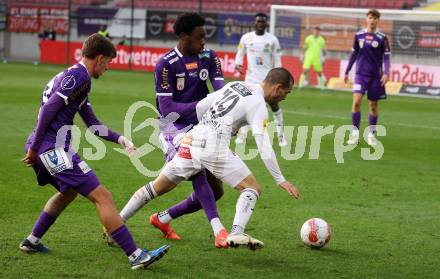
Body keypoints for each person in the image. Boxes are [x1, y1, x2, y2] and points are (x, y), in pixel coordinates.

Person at [19, 34, 169, 270]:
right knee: (103, 197)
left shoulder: (77, 79)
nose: (108, 67)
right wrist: (36, 148)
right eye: (108, 62)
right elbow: (49, 109)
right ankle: (136, 255)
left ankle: (32, 240)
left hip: (46, 147)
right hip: (51, 147)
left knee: (68, 192)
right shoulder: (79, 76)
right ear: (99, 58)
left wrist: (121, 139)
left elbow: (92, 124)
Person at [118, 68, 300, 250]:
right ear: (277, 88)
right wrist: (280, 179)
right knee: (252, 188)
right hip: (213, 146)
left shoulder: (236, 84)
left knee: (155, 188)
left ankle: (115, 225)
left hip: (191, 138)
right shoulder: (258, 104)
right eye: (286, 92)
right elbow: (264, 145)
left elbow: (202, 106)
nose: (285, 97)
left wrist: (204, 128)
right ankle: (236, 232)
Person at [114, 13, 229, 248]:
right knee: (195, 166)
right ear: (185, 36)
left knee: (216, 191)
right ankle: (219, 231)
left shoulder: (209, 57)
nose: (204, 42)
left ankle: (162, 218)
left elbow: (221, 92)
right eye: (200, 37)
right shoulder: (166, 64)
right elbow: (167, 109)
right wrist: (203, 107)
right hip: (173, 126)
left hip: (201, 125)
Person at [234, 13, 287, 147]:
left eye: (263, 22)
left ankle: (281, 137)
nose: (260, 24)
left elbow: (277, 58)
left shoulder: (272, 40)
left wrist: (279, 75)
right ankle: (242, 135)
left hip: (267, 81)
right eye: (258, 21)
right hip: (250, 79)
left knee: (274, 105)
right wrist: (238, 63)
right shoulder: (246, 38)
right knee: (245, 106)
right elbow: (240, 53)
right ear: (254, 23)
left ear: (266, 24)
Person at [344, 9, 390, 146]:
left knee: (373, 105)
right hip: (360, 75)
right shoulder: (358, 35)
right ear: (366, 19)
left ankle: (371, 135)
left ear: (378, 21)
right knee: (356, 101)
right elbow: (353, 55)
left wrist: (387, 72)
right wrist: (347, 71)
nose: (373, 20)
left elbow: (387, 58)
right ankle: (355, 135)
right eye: (371, 17)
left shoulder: (382, 37)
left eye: (375, 18)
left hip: (376, 76)